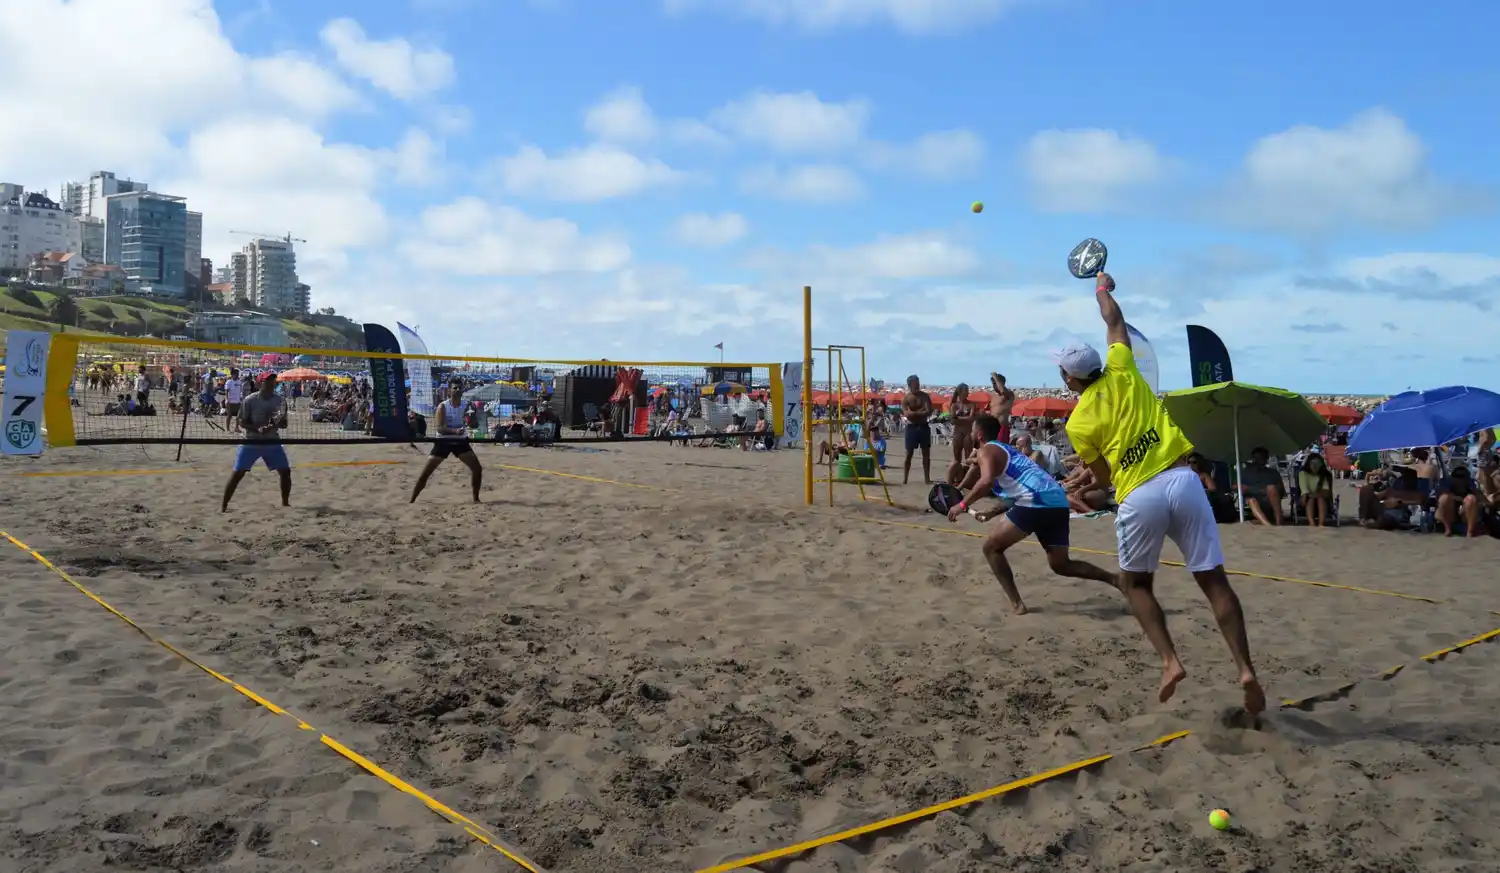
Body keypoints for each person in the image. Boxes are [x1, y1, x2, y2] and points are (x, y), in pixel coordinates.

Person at [1058, 270, 1263, 715]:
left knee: (1136, 584)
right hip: (1182, 479)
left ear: (1069, 379)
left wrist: (1087, 480)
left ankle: (1170, 661)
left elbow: (1104, 478)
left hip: (1140, 495)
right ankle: (1245, 668)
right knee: (1213, 581)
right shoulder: (1123, 367)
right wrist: (1100, 287)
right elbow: (1114, 320)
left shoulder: (1077, 423)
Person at [946, 414, 1118, 615]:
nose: (971, 434)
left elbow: (986, 481)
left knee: (991, 549)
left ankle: (1017, 604)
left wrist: (962, 504)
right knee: (1061, 564)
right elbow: (1022, 487)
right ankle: (1114, 579)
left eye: (973, 430)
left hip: (1036, 502)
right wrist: (993, 512)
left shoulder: (987, 450)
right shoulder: (1008, 451)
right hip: (1058, 501)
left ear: (980, 434)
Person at [222, 373, 291, 512]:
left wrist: (274, 425)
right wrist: (258, 428)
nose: (272, 384)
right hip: (252, 441)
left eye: (274, 381)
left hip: (272, 441)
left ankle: (285, 503)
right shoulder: (250, 400)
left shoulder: (280, 401)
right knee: (237, 473)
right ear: (260, 383)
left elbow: (284, 424)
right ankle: (223, 506)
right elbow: (241, 421)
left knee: (285, 471)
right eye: (268, 381)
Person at [410, 379, 484, 503]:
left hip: (460, 442)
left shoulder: (468, 405)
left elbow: (475, 425)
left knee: (477, 469)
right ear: (449, 390)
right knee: (426, 473)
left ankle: (476, 499)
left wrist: (472, 421)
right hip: (443, 441)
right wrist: (455, 431)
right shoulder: (443, 406)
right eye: (455, 388)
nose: (458, 390)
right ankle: (412, 500)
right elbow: (440, 428)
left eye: (460, 388)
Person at [900, 374, 934, 485]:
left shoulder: (924, 396)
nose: (917, 386)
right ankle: (905, 478)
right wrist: (920, 412)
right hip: (912, 427)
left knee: (926, 454)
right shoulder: (906, 398)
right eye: (915, 384)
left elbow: (928, 411)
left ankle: (927, 478)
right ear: (910, 385)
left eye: (918, 383)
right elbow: (906, 414)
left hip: (923, 426)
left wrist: (913, 413)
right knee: (908, 454)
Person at [1298, 452, 1335, 527]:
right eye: (1313, 464)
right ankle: (1312, 523)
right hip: (1307, 501)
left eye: (1317, 464)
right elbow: (1305, 492)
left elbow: (1327, 493)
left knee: (1320, 498)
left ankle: (1321, 524)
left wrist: (1314, 495)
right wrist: (1313, 495)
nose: (1315, 466)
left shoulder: (1324, 475)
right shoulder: (1303, 474)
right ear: (1309, 464)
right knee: (1311, 499)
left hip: (1322, 502)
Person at [949, 383, 978, 475]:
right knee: (957, 458)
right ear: (960, 393)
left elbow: (971, 419)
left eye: (967, 391)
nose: (967, 393)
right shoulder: (954, 405)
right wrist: (964, 419)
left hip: (967, 432)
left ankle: (967, 476)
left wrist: (958, 418)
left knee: (968, 457)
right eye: (966, 392)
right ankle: (958, 476)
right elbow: (953, 421)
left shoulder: (971, 404)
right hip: (958, 432)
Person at [988, 372, 1016, 443]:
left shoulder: (1009, 394)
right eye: (993, 384)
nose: (994, 386)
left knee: (1000, 448)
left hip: (1001, 427)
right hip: (991, 427)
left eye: (996, 383)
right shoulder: (993, 397)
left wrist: (995, 376)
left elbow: (1003, 391)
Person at [224, 367, 243, 432]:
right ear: (232, 374)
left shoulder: (239, 382)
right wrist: (226, 399)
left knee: (238, 415)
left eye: (238, 374)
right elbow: (226, 391)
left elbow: (240, 391)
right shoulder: (229, 382)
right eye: (236, 374)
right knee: (230, 415)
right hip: (230, 401)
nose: (237, 375)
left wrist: (241, 399)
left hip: (237, 401)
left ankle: (236, 428)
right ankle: (228, 429)